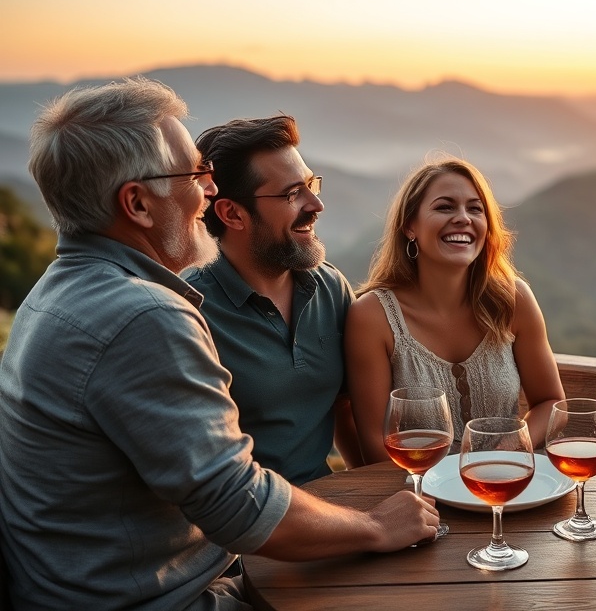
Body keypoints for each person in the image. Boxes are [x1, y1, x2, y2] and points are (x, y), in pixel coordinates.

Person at [0, 78, 439, 610]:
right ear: (137, 203)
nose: (208, 191)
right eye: (193, 174)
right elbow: (237, 504)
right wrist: (374, 526)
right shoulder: (143, 315)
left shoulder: (56, 290)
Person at [345, 156, 565, 463]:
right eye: (445, 207)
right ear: (410, 226)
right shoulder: (372, 317)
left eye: (475, 209)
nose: (463, 218)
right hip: (420, 496)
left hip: (506, 485)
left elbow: (551, 403)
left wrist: (507, 451)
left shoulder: (514, 300)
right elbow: (375, 440)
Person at [184, 115, 361, 485]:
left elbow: (346, 407)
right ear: (232, 213)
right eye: (293, 193)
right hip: (249, 526)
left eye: (311, 185)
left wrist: (378, 495)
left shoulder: (331, 288)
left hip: (336, 510)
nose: (316, 204)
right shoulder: (187, 311)